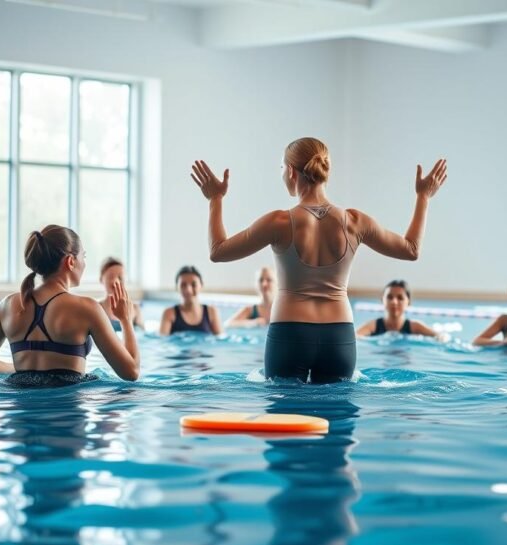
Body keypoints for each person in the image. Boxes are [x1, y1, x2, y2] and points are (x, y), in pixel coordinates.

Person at [190, 136, 447, 383]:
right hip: (339, 337)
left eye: (282, 167)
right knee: (337, 421)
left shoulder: (278, 222)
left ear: (291, 171)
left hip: (289, 334)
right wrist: (423, 197)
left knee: (285, 420)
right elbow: (411, 249)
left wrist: (215, 199)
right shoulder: (355, 222)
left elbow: (218, 251)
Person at [0, 225, 140, 383]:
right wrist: (126, 319)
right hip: (65, 413)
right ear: (70, 261)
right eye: (83, 256)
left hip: (20, 413)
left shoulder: (8, 305)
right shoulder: (87, 308)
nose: (84, 264)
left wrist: (23, 372)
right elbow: (131, 372)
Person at [357, 279, 437, 337]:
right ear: (382, 300)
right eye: (390, 297)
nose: (394, 302)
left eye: (400, 298)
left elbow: (439, 336)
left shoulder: (415, 326)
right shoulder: (373, 326)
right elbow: (355, 337)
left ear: (408, 302)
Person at [159, 265, 224, 335]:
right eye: (183, 285)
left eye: (194, 284)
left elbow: (220, 340)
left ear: (201, 285)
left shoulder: (211, 312)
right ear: (177, 287)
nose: (188, 290)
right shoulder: (169, 313)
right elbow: (162, 342)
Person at [98, 257, 144, 331]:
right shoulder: (96, 308)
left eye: (120, 278)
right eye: (110, 277)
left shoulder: (135, 308)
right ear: (101, 280)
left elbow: (143, 336)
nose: (116, 281)